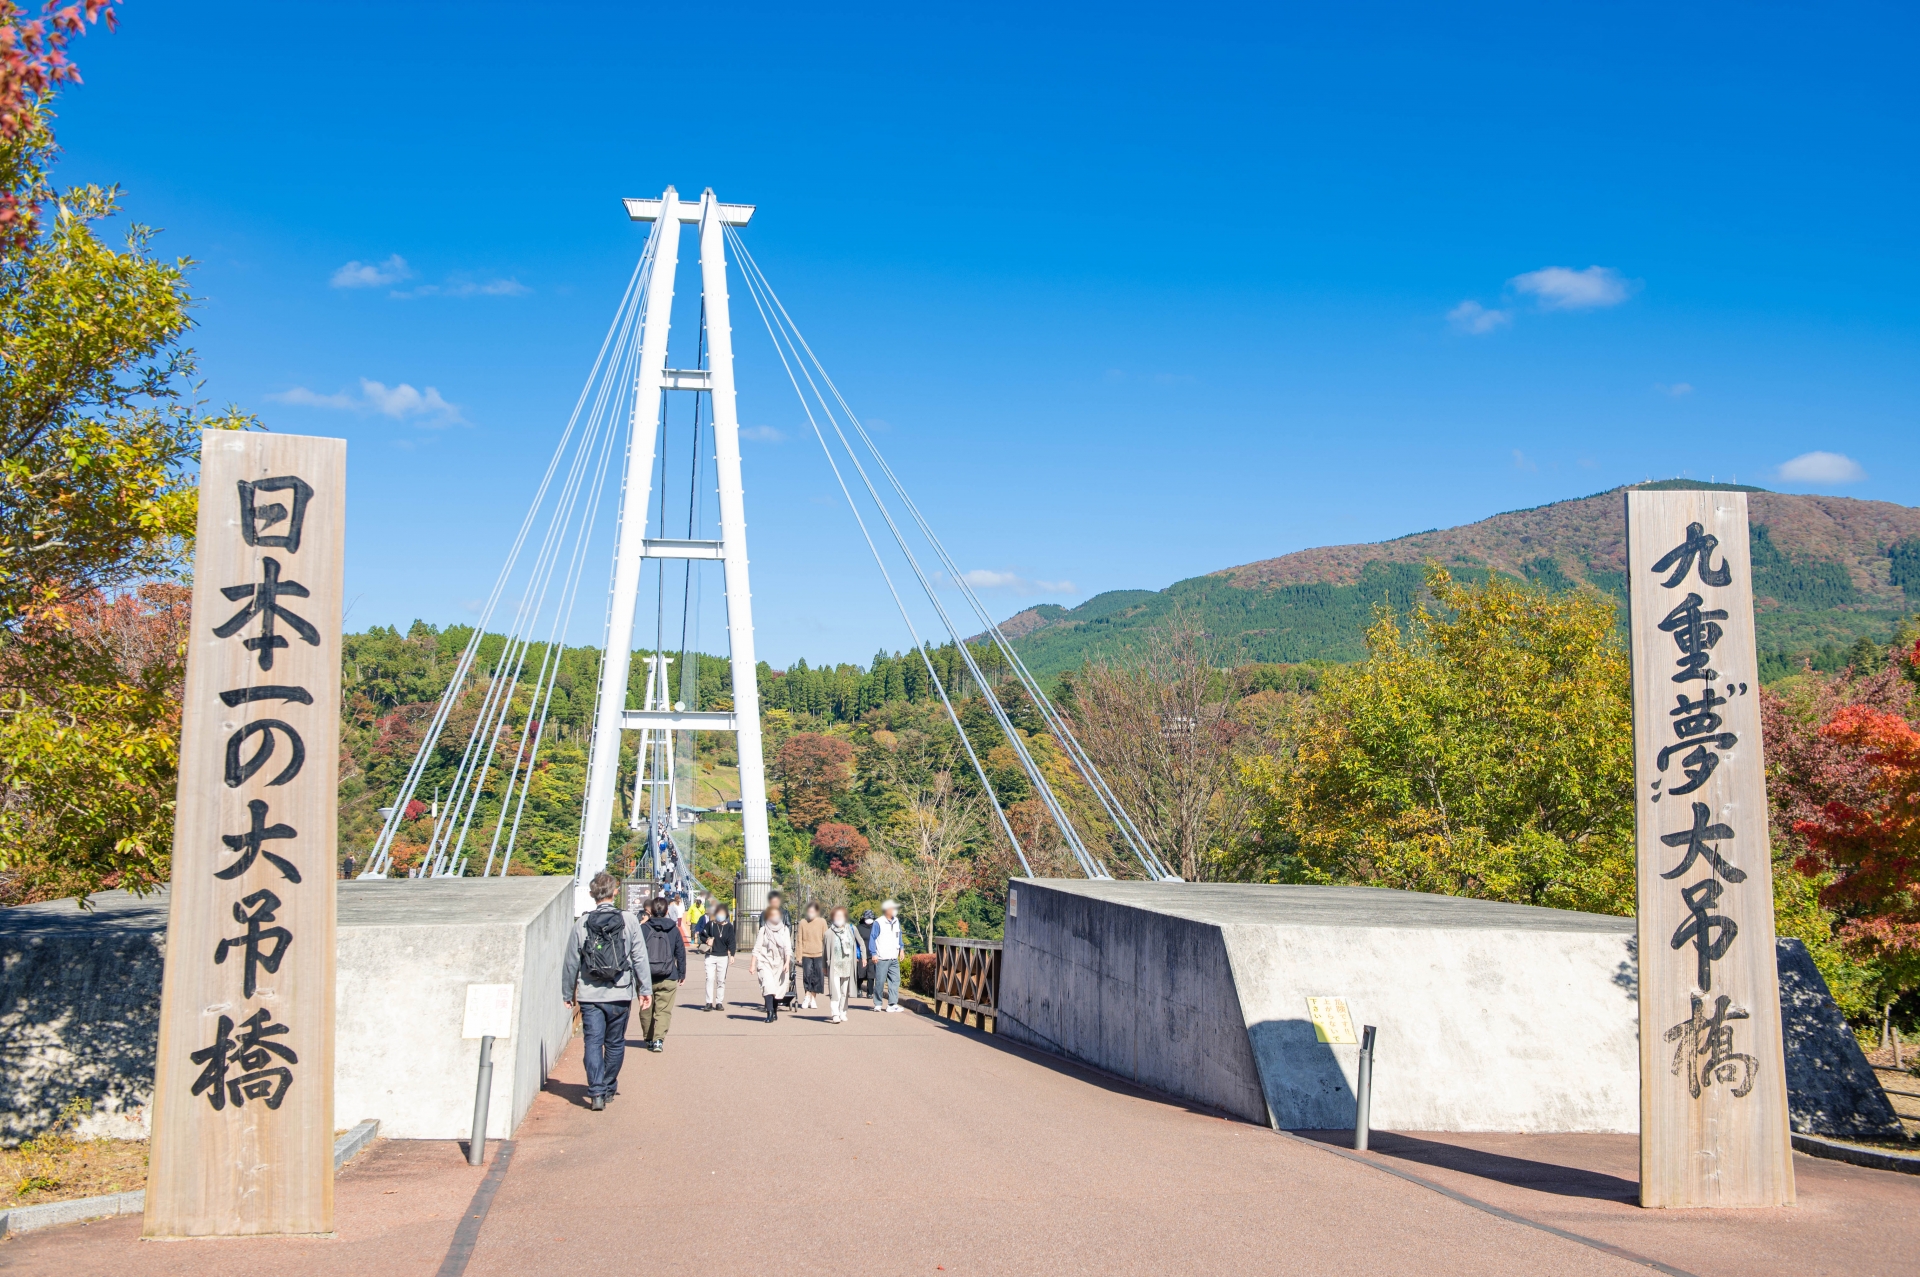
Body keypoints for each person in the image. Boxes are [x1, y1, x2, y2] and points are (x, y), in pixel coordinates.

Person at [561, 871, 649, 1111]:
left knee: (592, 1042)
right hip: (620, 992)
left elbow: (571, 961)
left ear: (591, 894)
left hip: (590, 994)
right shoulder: (629, 920)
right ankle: (609, 1086)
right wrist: (645, 989)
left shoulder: (582, 923)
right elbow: (639, 957)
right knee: (615, 1043)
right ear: (616, 892)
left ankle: (596, 1091)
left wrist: (568, 993)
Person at [637, 894, 687, 1051]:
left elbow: (636, 952)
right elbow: (680, 952)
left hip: (647, 976)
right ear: (667, 911)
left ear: (650, 911)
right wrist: (681, 973)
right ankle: (659, 1040)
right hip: (668, 975)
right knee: (663, 1010)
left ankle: (649, 1038)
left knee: (646, 1008)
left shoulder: (644, 928)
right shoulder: (673, 929)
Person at [750, 903, 792, 1023]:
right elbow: (756, 949)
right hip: (765, 961)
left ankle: (774, 1009)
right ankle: (769, 1012)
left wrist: (787, 962)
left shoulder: (784, 930)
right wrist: (753, 964)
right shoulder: (763, 930)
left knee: (777, 989)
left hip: (780, 962)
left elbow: (788, 948)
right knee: (768, 986)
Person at [824, 905, 862, 1023]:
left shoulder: (851, 930)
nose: (839, 918)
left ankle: (843, 1011)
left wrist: (863, 957)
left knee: (844, 991)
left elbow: (860, 942)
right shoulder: (829, 933)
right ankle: (835, 1013)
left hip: (847, 965)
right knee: (835, 991)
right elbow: (825, 951)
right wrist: (824, 966)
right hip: (834, 966)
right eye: (837, 915)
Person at [870, 899, 905, 1013]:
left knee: (895, 980)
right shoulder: (878, 922)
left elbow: (899, 936)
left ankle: (892, 1004)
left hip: (893, 956)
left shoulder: (896, 921)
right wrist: (873, 953)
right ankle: (878, 1003)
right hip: (882, 956)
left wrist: (901, 949)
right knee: (880, 981)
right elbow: (872, 938)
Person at [795, 901, 828, 1011]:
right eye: (809, 911)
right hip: (806, 953)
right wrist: (798, 956)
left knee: (817, 976)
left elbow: (826, 939)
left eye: (813, 911)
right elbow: (799, 940)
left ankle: (813, 998)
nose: (811, 913)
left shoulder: (822, 922)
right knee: (807, 975)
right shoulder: (803, 923)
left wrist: (827, 955)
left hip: (819, 953)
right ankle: (806, 996)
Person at [702, 904, 735, 1010]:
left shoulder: (729, 927)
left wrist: (732, 954)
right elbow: (702, 934)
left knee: (721, 980)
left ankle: (719, 1002)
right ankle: (708, 1002)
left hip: (723, 956)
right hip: (710, 955)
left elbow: (732, 941)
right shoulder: (710, 924)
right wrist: (707, 940)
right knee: (709, 978)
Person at [856, 909, 877, 998]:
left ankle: (870, 992)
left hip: (872, 954)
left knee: (871, 975)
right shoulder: (859, 928)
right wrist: (856, 955)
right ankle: (858, 989)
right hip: (861, 954)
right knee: (860, 973)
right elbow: (855, 942)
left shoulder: (875, 927)